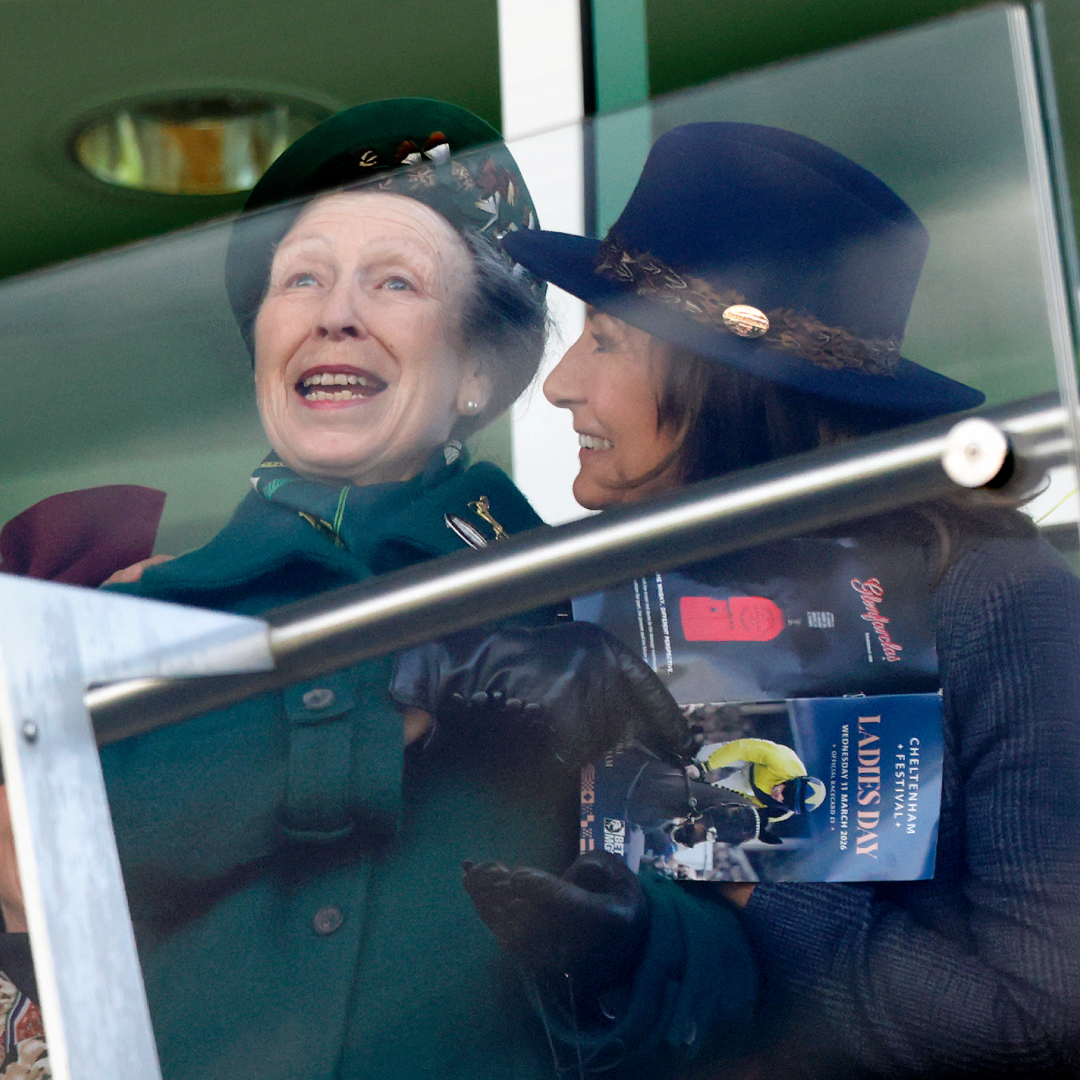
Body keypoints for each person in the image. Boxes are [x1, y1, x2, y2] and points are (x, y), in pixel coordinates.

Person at [93, 100, 755, 1080]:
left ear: (482, 368)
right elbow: (36, 872)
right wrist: (383, 704)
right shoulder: (134, 620)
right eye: (302, 278)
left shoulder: (594, 618)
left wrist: (630, 951)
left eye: (393, 281)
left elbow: (735, 984)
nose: (335, 313)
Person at [449, 121, 1080, 1077]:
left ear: (725, 383)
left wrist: (741, 865)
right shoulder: (598, 598)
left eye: (607, 340)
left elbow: (1035, 1025)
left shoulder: (993, 595)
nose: (564, 385)